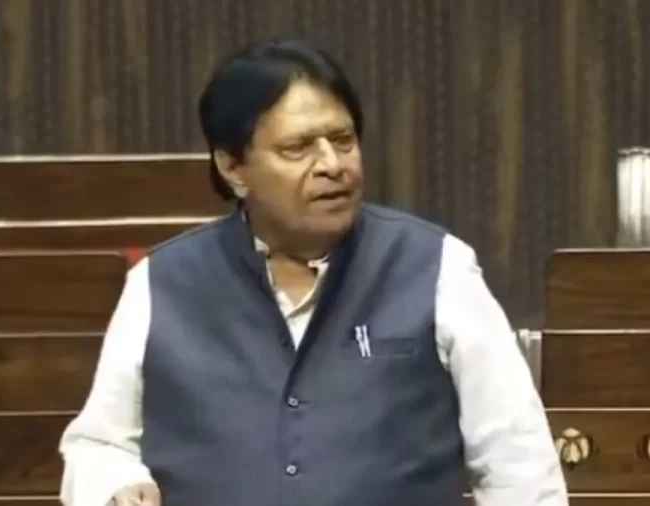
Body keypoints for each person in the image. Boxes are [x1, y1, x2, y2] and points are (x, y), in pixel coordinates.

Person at [58, 37, 567, 506]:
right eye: (298, 148)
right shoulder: (161, 283)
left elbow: (516, 460)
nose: (332, 165)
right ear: (233, 167)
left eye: (343, 139)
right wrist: (116, 484)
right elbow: (98, 444)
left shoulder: (437, 268)